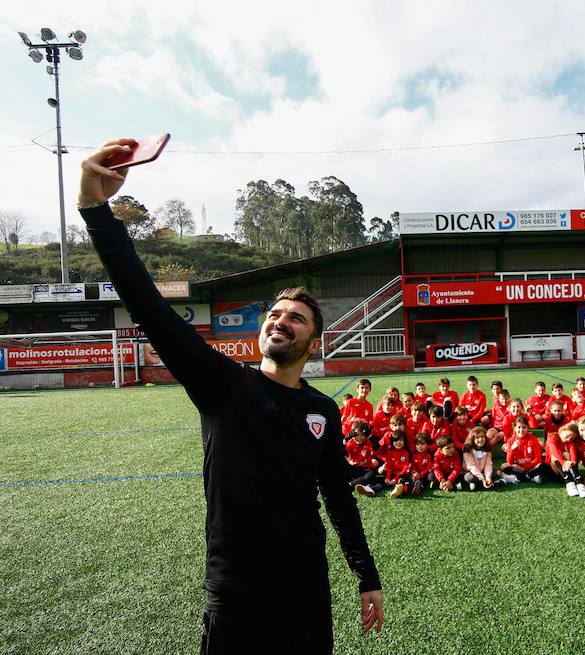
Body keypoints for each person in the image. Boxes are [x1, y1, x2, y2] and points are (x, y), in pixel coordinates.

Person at [77, 140, 383, 654]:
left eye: (295, 318)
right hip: (236, 591)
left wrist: (366, 574)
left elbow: (336, 497)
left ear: (312, 342)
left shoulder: (323, 411)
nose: (280, 321)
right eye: (275, 314)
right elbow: (147, 304)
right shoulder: (223, 385)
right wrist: (95, 210)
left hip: (306, 588)